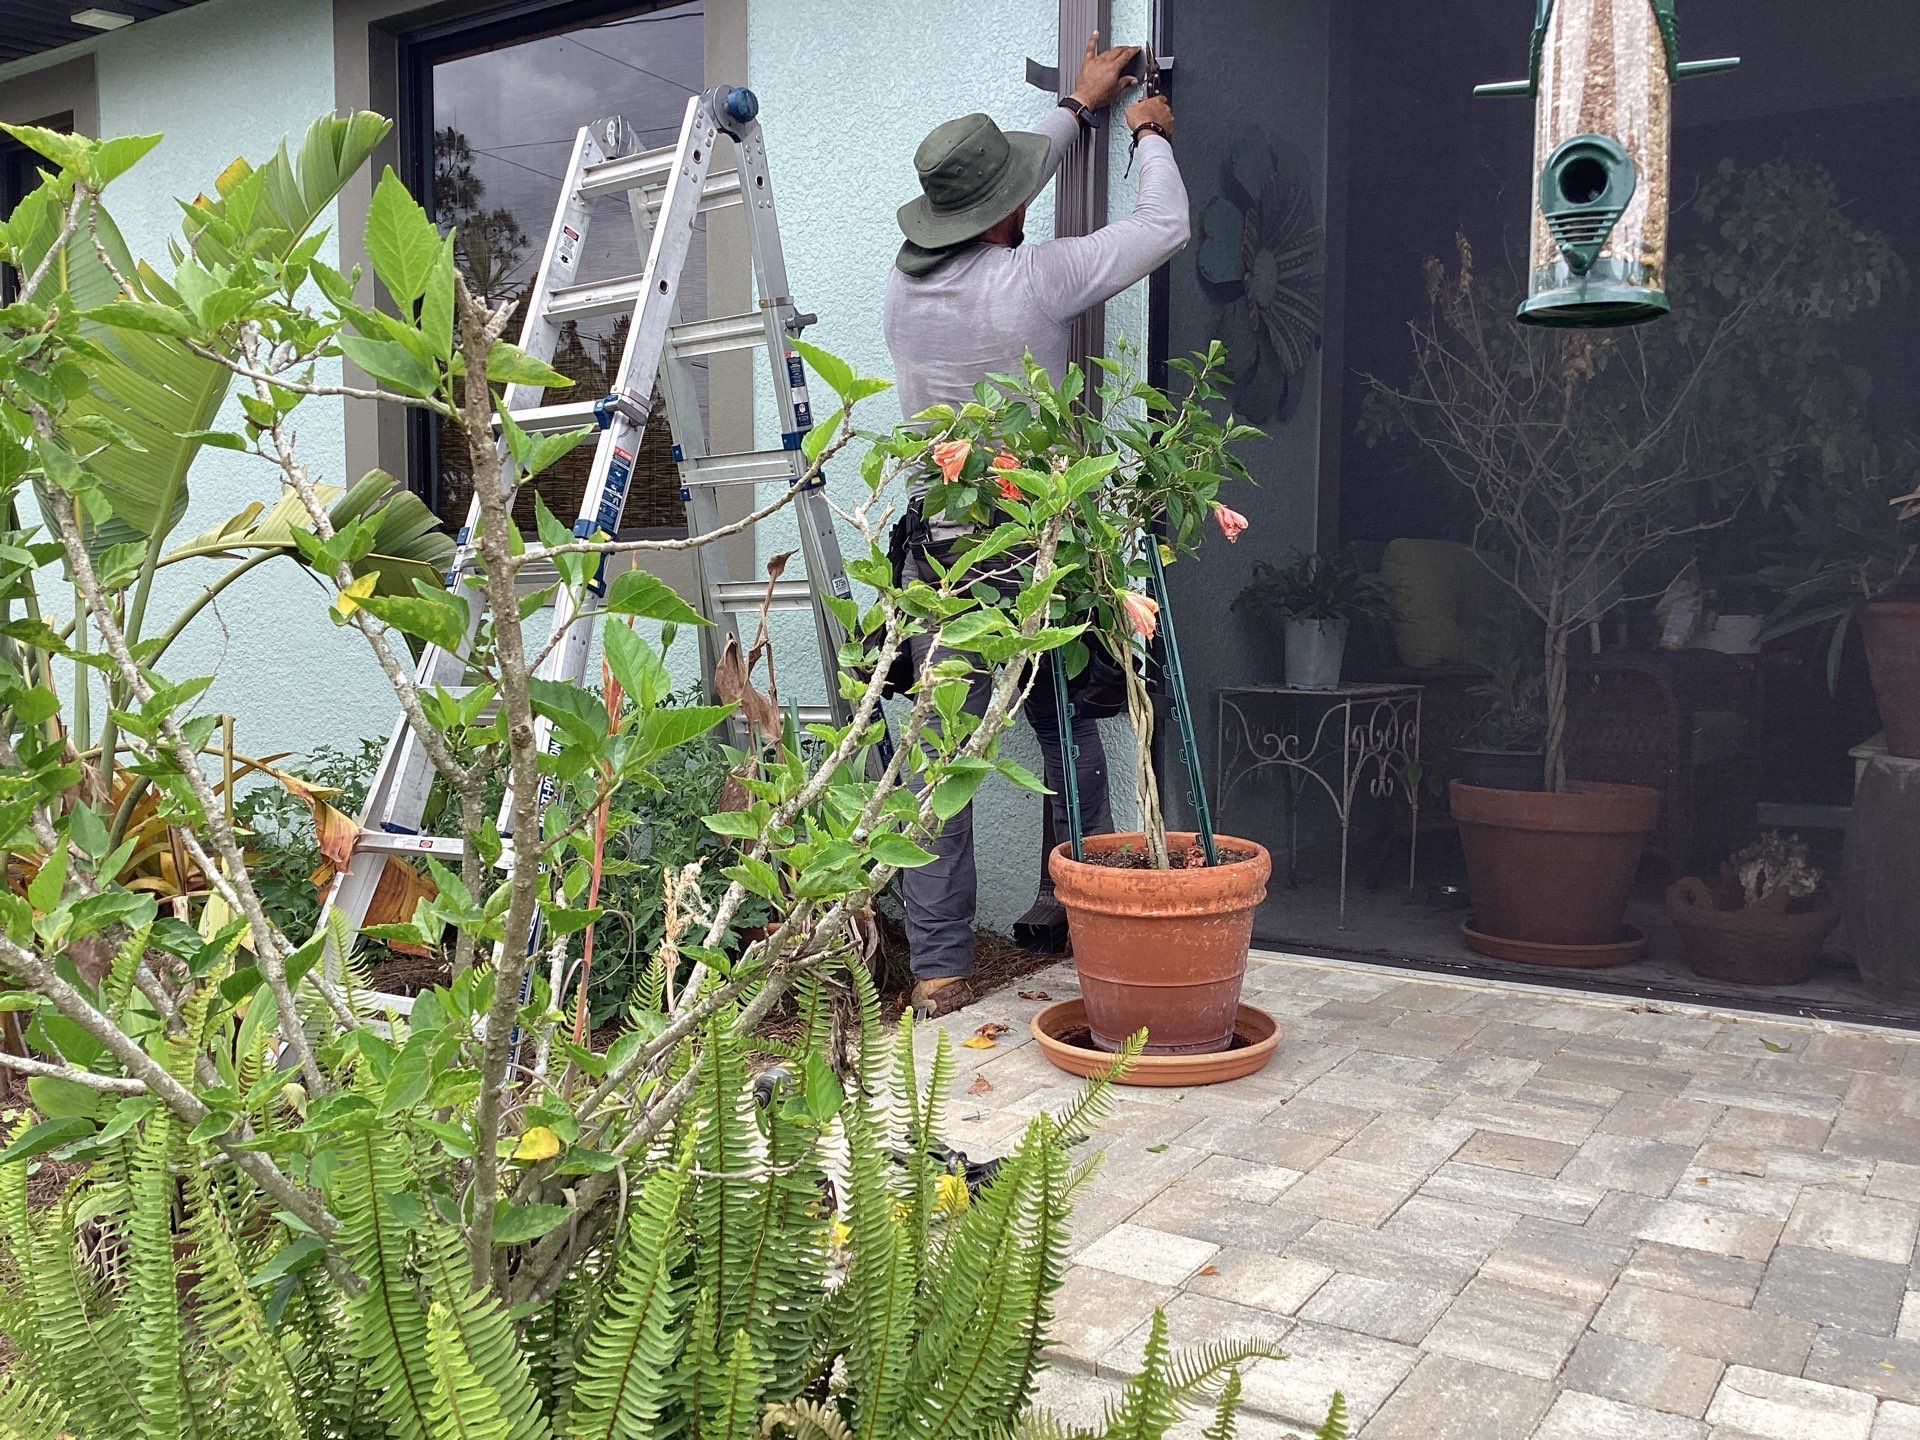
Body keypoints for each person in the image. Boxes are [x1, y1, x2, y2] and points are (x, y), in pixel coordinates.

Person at [883, 33, 1190, 1018]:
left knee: (941, 763)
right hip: (1039, 543)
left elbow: (1004, 193)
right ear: (1008, 210)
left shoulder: (903, 289)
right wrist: (1145, 131)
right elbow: (1166, 225)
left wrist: (1075, 105)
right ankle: (1076, 913)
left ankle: (937, 970)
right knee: (1071, 730)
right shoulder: (1037, 280)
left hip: (937, 545)